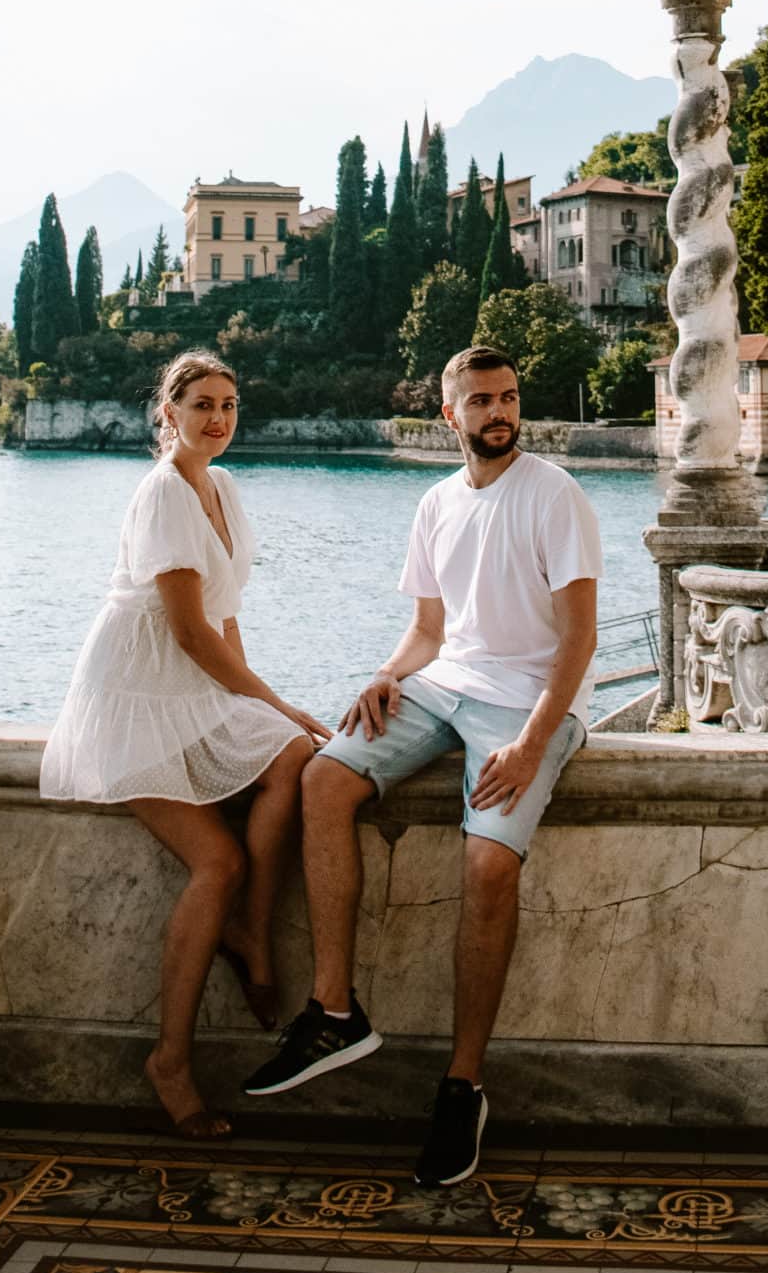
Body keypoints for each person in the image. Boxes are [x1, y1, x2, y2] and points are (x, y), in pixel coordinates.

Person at [242, 344, 601, 1189]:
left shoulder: (556, 495)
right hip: (444, 686)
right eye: (480, 401)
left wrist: (530, 742)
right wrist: (383, 674)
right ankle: (334, 1010)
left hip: (528, 705)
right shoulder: (436, 503)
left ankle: (462, 1084)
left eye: (508, 397)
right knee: (323, 778)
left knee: (485, 866)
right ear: (450, 415)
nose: (499, 412)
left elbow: (579, 639)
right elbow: (429, 633)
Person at [41, 348, 330, 1138]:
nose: (218, 419)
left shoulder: (224, 488)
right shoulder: (163, 492)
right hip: (134, 695)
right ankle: (170, 1059)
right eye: (201, 404)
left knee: (293, 756)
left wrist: (269, 710)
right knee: (218, 860)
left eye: (230, 405)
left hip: (192, 688)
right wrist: (277, 701)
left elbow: (227, 618)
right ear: (165, 413)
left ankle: (252, 933)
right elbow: (188, 632)